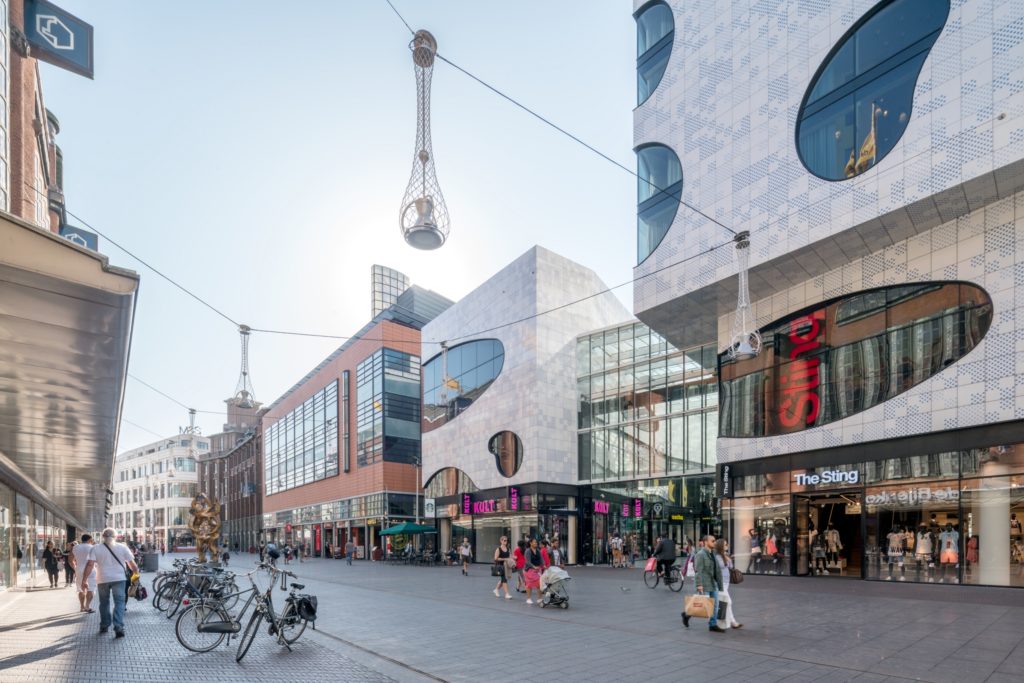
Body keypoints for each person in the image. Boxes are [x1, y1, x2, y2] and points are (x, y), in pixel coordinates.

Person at [80, 528, 138, 638]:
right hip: (119, 579)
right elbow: (132, 564)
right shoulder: (122, 547)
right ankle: (118, 626)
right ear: (115, 537)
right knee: (120, 602)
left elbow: (89, 565)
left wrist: (84, 580)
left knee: (104, 602)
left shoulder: (95, 548)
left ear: (103, 536)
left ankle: (104, 625)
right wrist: (136, 575)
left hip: (102, 579)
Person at [684, 534, 725, 632]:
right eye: (713, 541)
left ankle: (712, 625)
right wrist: (699, 584)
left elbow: (717, 570)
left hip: (713, 583)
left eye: (715, 541)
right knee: (702, 605)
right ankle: (687, 615)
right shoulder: (700, 554)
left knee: (714, 605)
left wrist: (720, 584)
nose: (714, 542)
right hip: (704, 583)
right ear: (706, 542)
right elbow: (698, 571)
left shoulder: (713, 553)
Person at [714, 539, 742, 629]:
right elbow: (722, 565)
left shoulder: (724, 555)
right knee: (728, 602)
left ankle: (725, 622)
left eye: (727, 544)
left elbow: (731, 566)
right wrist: (727, 559)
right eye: (725, 544)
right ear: (721, 546)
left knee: (722, 602)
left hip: (726, 581)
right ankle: (733, 622)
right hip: (720, 582)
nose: (727, 545)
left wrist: (727, 558)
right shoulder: (717, 556)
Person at [71, 534, 96, 613]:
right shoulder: (92, 548)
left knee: (80, 589)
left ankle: (82, 606)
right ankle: (87, 606)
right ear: (89, 539)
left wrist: (75, 568)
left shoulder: (75, 547)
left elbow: (70, 559)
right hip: (91, 570)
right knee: (90, 589)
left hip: (79, 569)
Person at [523, 538, 544, 605]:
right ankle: (528, 598)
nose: (536, 543)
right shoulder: (528, 551)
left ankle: (539, 598)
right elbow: (527, 561)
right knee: (529, 584)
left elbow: (541, 559)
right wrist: (534, 567)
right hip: (529, 570)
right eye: (534, 542)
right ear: (530, 543)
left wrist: (544, 565)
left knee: (540, 583)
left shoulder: (538, 551)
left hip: (537, 569)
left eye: (536, 542)